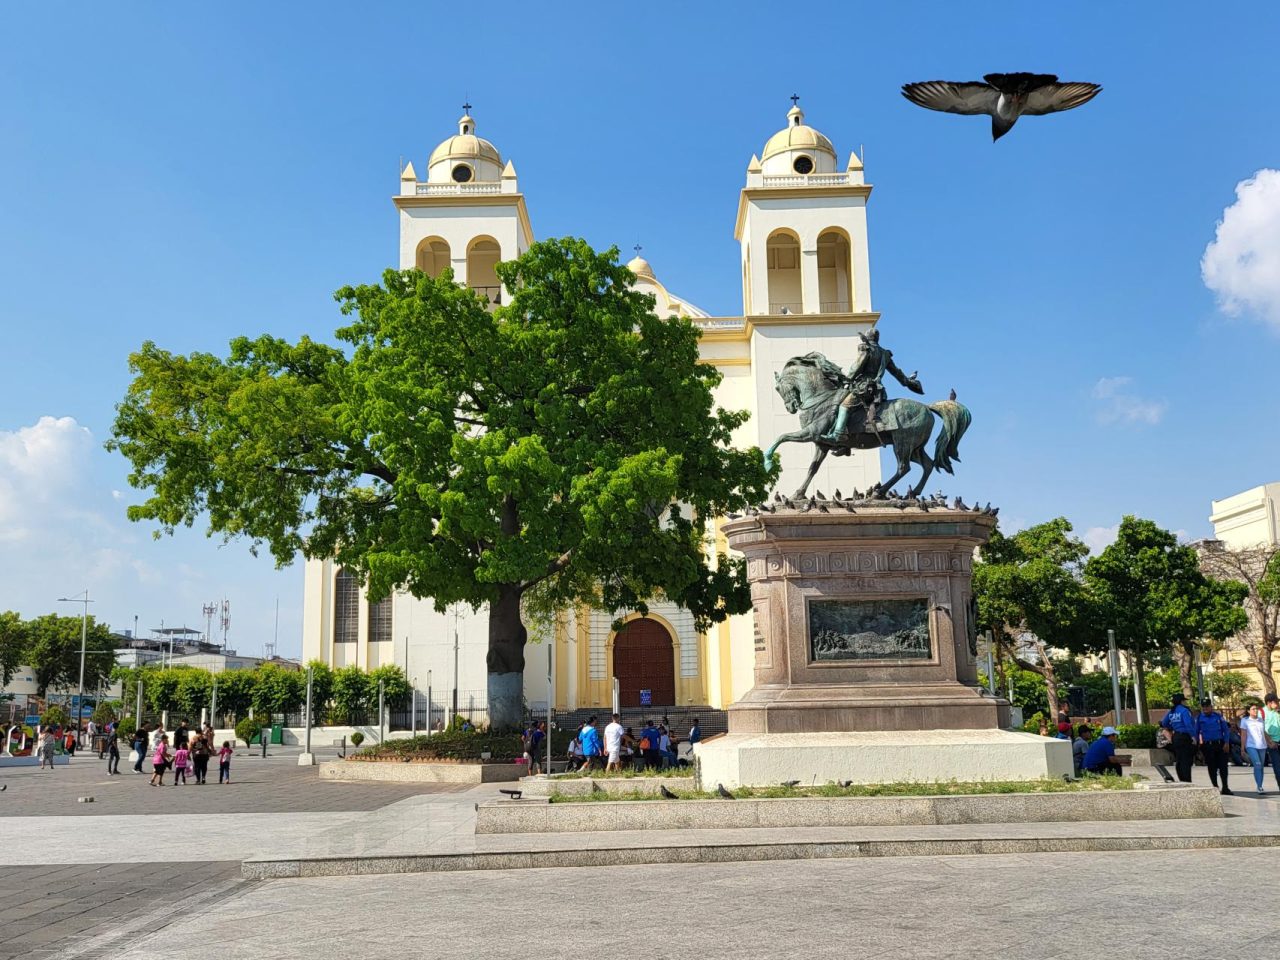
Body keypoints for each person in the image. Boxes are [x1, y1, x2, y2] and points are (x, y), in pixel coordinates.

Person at [820, 328, 924, 443]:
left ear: (868, 337)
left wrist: (847, 379)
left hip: (862, 388)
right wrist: (907, 382)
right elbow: (896, 372)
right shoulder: (885, 354)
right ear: (877, 338)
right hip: (878, 391)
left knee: (844, 406)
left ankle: (837, 434)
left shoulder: (866, 349)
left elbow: (857, 367)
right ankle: (847, 445)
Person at [1196, 697, 1232, 795]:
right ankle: (1215, 787)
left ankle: (1225, 787)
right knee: (1212, 767)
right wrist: (1197, 745)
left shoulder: (1218, 716)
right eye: (1203, 706)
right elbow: (1196, 731)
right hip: (1208, 746)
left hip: (1220, 744)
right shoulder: (1199, 718)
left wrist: (1226, 742)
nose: (1205, 708)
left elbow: (1226, 730)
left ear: (1211, 707)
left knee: (1223, 767)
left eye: (1207, 706)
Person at [1160, 693, 1197, 783]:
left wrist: (1173, 726)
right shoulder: (1184, 711)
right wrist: (1193, 736)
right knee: (1186, 760)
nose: (1185, 702)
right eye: (1184, 701)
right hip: (1185, 737)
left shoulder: (1171, 711)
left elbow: (1163, 723)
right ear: (1181, 701)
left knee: (1179, 759)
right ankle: (1187, 780)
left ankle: (1182, 779)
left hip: (1175, 737)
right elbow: (1188, 724)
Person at [1240, 704, 1271, 794]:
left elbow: (1263, 733)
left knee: (1261, 767)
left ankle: (1259, 785)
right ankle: (1260, 787)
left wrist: (1270, 742)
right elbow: (1243, 735)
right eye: (1253, 709)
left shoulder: (1261, 720)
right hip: (1251, 746)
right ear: (1249, 711)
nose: (1256, 710)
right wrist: (1242, 748)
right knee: (1257, 764)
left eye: (1256, 709)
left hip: (1262, 746)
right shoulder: (1245, 721)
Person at [1263, 695, 1280, 789]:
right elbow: (1262, 730)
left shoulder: (1277, 712)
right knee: (1278, 768)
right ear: (1269, 703)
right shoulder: (1262, 712)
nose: (1278, 704)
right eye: (1276, 702)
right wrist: (1270, 742)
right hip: (1272, 743)